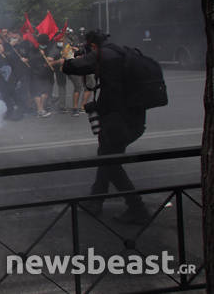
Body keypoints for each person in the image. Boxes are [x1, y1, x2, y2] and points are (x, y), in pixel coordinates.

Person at [63, 30, 150, 224]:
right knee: (106, 157)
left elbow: (70, 67)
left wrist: (69, 54)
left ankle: (137, 208)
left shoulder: (100, 54)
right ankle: (96, 202)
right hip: (134, 116)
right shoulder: (123, 52)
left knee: (110, 163)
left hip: (117, 119)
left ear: (92, 45)